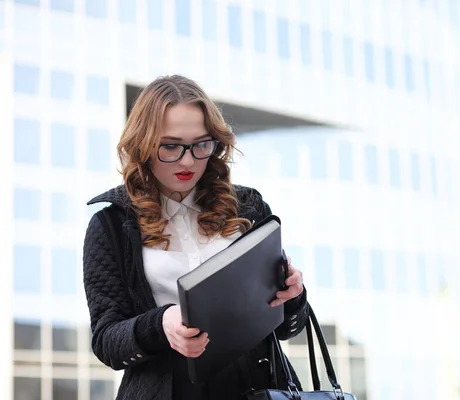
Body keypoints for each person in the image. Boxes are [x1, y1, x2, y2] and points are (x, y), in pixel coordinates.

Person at [83, 75, 308, 400]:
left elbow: (289, 328)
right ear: (143, 144)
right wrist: (161, 324)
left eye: (201, 144)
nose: (188, 161)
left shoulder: (249, 207)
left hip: (256, 389)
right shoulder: (112, 225)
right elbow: (106, 341)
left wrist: (294, 295)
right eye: (170, 146)